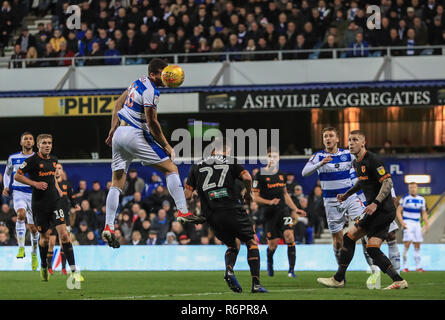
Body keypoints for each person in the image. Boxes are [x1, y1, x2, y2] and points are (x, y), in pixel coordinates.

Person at [102, 58, 203, 249]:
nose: (167, 77)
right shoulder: (151, 90)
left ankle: (108, 225)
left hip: (119, 135)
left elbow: (117, 103)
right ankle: (182, 211)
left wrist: (112, 129)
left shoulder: (137, 82)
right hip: (134, 134)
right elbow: (152, 123)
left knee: (117, 183)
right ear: (153, 74)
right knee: (171, 168)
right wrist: (166, 145)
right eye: (163, 74)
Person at [317, 130, 407, 290]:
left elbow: (388, 183)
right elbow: (362, 183)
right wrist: (346, 194)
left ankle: (338, 278)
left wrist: (375, 203)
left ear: (363, 143)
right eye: (349, 140)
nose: (350, 143)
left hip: (380, 211)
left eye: (355, 140)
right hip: (379, 212)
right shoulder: (357, 163)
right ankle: (399, 280)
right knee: (372, 248)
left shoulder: (373, 160)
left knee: (349, 237)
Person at [302, 127, 385, 285]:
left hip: (350, 198)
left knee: (364, 230)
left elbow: (359, 171)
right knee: (338, 240)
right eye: (325, 136)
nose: (328, 138)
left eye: (331, 136)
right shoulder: (318, 156)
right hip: (331, 201)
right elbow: (305, 172)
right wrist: (321, 163)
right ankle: (341, 276)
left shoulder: (347, 154)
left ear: (337, 139)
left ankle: (374, 271)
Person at [184, 140, 268, 293]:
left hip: (211, 214)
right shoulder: (230, 161)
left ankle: (229, 270)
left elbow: (187, 194)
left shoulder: (196, 166)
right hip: (231, 209)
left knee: (232, 245)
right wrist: (248, 194)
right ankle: (256, 284)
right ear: (225, 152)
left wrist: (186, 211)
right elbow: (248, 178)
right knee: (251, 242)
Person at [14, 134, 84, 282]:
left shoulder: (54, 160)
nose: (47, 145)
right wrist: (34, 184)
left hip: (55, 202)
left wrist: (57, 188)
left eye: (50, 143)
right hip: (39, 205)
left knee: (64, 235)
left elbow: (52, 176)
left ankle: (74, 271)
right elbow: (17, 176)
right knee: (44, 239)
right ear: (38, 145)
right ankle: (44, 266)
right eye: (44, 143)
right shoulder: (31, 161)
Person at [253, 147, 306, 278]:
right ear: (267, 158)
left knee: (290, 236)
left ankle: (291, 270)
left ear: (279, 158)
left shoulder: (281, 174)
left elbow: (285, 195)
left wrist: (295, 209)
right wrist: (269, 202)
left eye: (275, 156)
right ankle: (270, 262)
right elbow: (255, 197)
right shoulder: (260, 175)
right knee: (273, 245)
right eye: (270, 155)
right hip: (269, 213)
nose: (273, 158)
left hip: (283, 211)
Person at [2, 132, 39, 270]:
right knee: (21, 214)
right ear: (21, 142)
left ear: (34, 142)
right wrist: (6, 186)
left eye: (30, 139)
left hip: (34, 194)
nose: (28, 141)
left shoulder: (38, 157)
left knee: (34, 229)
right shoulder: (13, 158)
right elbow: (7, 173)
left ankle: (34, 253)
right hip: (18, 192)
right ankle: (21, 247)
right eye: (26, 139)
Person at [47, 163, 81, 275]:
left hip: (64, 217)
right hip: (52, 217)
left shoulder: (67, 185)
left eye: (59, 169)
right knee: (51, 242)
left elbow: (72, 197)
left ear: (62, 171)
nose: (57, 171)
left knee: (64, 241)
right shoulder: (50, 184)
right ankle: (49, 268)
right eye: (55, 169)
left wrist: (75, 205)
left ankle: (63, 268)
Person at [396, 182, 429, 272]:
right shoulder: (405, 198)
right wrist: (402, 222)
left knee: (417, 244)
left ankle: (418, 267)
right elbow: (398, 211)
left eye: (414, 187)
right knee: (407, 244)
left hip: (417, 224)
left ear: (417, 188)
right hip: (407, 222)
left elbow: (424, 213)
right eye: (411, 187)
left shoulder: (421, 199)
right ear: (409, 188)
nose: (413, 189)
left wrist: (427, 223)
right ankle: (405, 266)